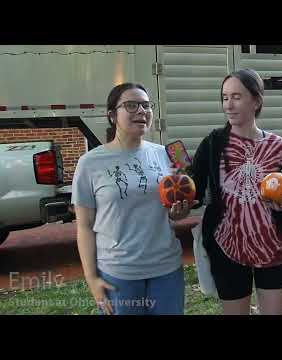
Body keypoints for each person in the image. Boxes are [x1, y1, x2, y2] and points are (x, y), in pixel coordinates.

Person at [72, 83, 194, 315]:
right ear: (112, 115)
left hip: (166, 268)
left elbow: (184, 201)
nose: (141, 111)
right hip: (118, 274)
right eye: (131, 105)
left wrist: (180, 212)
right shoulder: (89, 163)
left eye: (146, 105)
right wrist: (91, 279)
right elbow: (85, 227)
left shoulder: (169, 153)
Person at [190, 68, 282, 315]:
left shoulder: (278, 147)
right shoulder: (214, 143)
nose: (228, 105)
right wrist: (181, 195)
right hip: (227, 247)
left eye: (237, 97)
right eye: (224, 97)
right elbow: (194, 189)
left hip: (273, 247)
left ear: (256, 100)